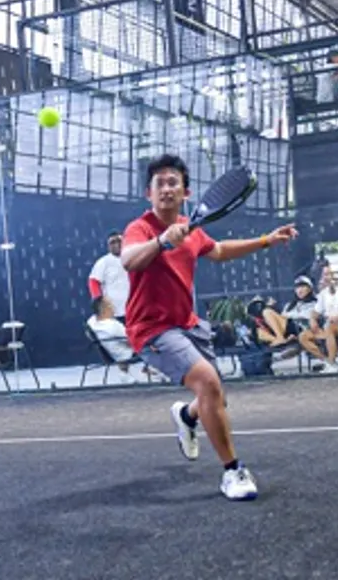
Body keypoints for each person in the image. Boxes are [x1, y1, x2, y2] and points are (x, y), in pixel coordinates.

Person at [121, 154, 297, 501]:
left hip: (188, 325)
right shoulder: (139, 228)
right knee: (208, 382)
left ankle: (187, 416)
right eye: (160, 184)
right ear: (148, 194)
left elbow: (218, 250)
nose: (167, 189)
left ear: (185, 192)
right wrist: (161, 241)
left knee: (213, 397)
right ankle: (233, 471)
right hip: (151, 330)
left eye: (173, 183)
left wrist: (266, 240)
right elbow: (129, 260)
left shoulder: (191, 229)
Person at [86, 296, 137, 382]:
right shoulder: (113, 326)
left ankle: (125, 374)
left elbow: (88, 330)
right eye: (110, 305)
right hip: (125, 353)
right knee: (156, 342)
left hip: (112, 351)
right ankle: (152, 369)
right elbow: (132, 341)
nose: (114, 307)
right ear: (104, 309)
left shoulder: (92, 322)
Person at [88, 231, 129, 322]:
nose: (116, 244)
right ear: (108, 246)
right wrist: (99, 301)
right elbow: (93, 281)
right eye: (112, 242)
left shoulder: (132, 257)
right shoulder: (103, 262)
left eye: (119, 241)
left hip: (134, 309)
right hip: (114, 313)